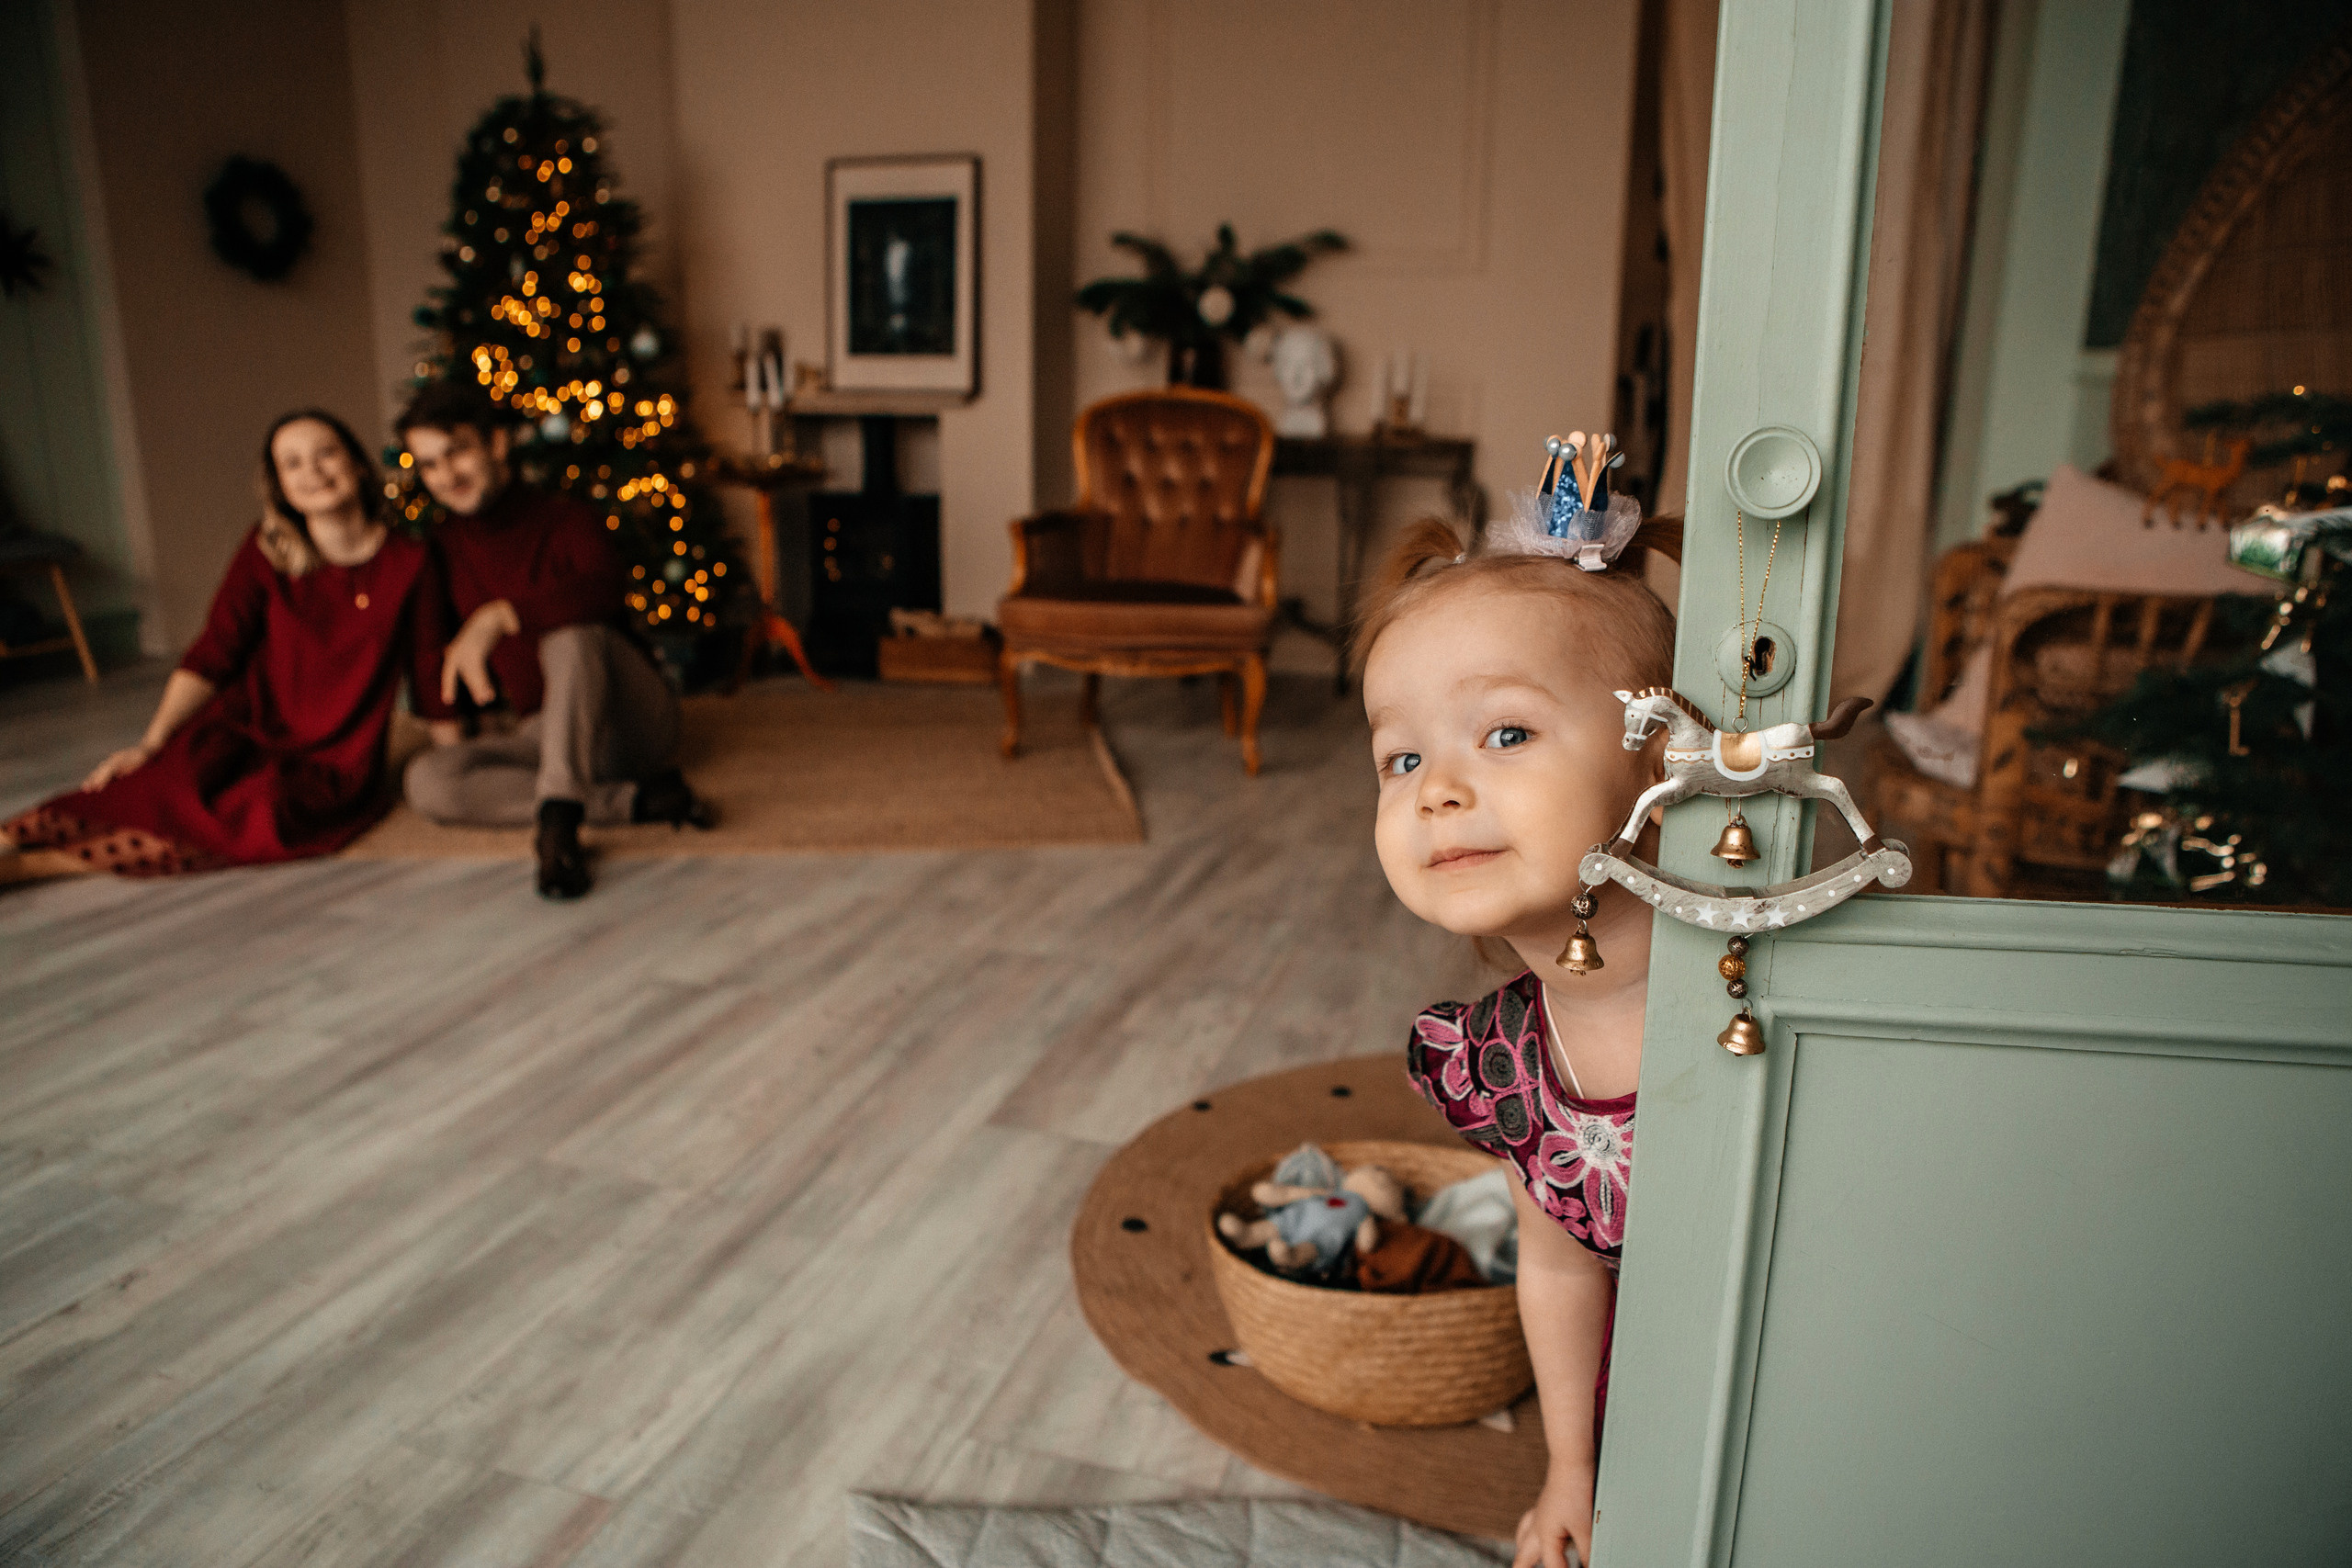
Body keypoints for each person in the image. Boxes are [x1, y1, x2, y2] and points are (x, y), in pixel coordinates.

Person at [1354, 487, 1678, 1568]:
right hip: (1643, 1429)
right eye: (1401, 759)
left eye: (1505, 732)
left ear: (1660, 768)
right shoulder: (1507, 1062)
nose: (1436, 790)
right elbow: (1559, 1265)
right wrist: (1572, 1472)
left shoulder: (1747, 1005)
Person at [0, 411, 458, 886]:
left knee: (261, 814)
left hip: (333, 759)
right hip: (247, 726)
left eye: (326, 453)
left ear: (359, 465)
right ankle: (10, 841)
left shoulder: (410, 560)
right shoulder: (265, 551)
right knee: (158, 787)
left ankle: (25, 869)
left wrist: (454, 762)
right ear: (280, 485)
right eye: (293, 463)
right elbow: (214, 653)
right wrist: (151, 743)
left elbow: (429, 669)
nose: (314, 472)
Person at [394, 381, 709, 900]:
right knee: (427, 781)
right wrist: (464, 752)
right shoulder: (440, 547)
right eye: (428, 465)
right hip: (547, 733)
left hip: (627, 722)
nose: (447, 475)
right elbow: (432, 657)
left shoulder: (567, 518)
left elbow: (602, 591)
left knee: (571, 633)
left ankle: (560, 821)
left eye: (458, 453)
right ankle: (633, 804)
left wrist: (502, 616)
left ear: (497, 444)